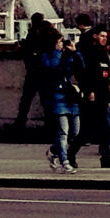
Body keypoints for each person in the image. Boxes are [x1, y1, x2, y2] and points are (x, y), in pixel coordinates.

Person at [40, 33, 84, 174]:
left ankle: (54, 151)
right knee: (63, 132)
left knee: (75, 133)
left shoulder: (67, 55)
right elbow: (51, 67)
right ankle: (65, 162)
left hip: (71, 97)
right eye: (58, 42)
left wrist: (75, 52)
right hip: (57, 97)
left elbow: (81, 68)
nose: (61, 45)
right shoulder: (46, 55)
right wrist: (57, 52)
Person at [12, 12, 59, 134]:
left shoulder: (33, 32)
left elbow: (28, 49)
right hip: (45, 71)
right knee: (46, 100)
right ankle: (50, 125)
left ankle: (19, 124)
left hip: (33, 71)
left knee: (26, 100)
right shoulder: (49, 31)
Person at [80, 25, 110, 168]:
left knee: (105, 128)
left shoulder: (103, 53)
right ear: (95, 36)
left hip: (102, 96)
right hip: (93, 96)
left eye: (105, 36)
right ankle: (66, 153)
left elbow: (105, 78)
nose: (104, 39)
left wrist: (108, 97)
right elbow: (87, 75)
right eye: (102, 36)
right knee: (86, 131)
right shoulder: (90, 53)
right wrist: (90, 91)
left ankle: (106, 157)